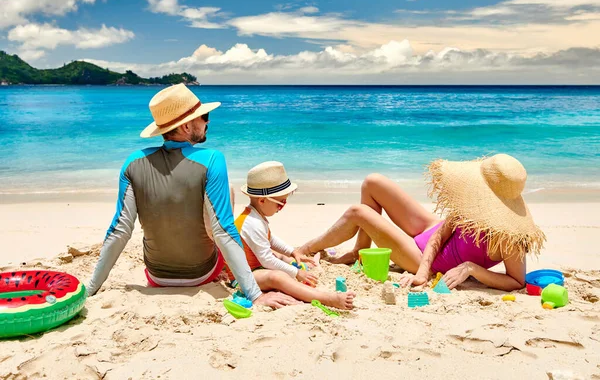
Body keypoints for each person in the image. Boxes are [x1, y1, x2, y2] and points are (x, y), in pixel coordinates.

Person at [87, 84, 295, 309]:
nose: (207, 122)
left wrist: (91, 288)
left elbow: (120, 231)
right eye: (203, 116)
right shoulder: (212, 159)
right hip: (202, 273)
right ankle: (236, 269)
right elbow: (223, 231)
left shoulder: (133, 162)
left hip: (156, 276)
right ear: (186, 125)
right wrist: (255, 295)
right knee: (229, 194)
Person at [296, 154, 546, 291]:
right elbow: (442, 233)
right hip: (430, 234)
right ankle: (358, 252)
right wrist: (425, 272)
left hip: (417, 255)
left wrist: (471, 269)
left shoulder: (511, 236)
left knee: (357, 212)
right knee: (373, 182)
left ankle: (304, 250)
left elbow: (517, 281)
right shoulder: (473, 204)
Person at [228, 161, 355, 310]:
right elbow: (266, 260)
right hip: (242, 277)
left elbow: (271, 239)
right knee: (277, 276)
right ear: (262, 200)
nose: (282, 207)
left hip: (256, 266)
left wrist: (293, 252)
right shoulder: (252, 223)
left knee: (281, 257)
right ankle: (328, 299)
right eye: (280, 204)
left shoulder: (256, 216)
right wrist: (296, 273)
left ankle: (300, 272)